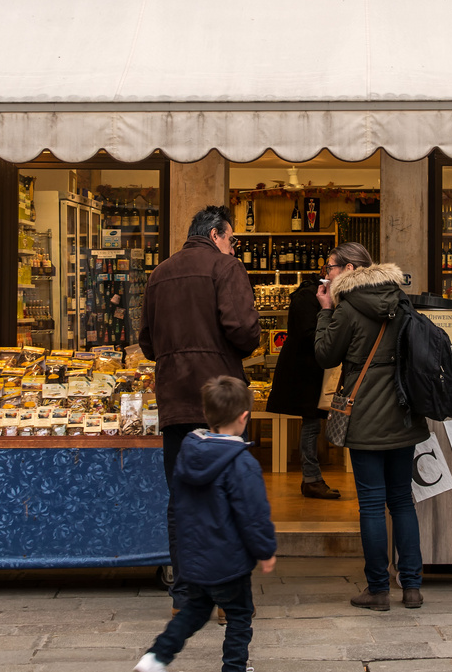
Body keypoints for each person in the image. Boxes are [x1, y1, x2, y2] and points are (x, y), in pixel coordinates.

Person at [139, 205, 261, 608]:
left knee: (183, 496)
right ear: (216, 235)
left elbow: (147, 343)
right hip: (221, 399)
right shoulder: (227, 269)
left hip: (175, 397)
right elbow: (242, 330)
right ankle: (227, 596)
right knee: (227, 493)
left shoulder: (160, 274)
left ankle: (186, 593)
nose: (233, 246)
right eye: (232, 239)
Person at [134, 376, 277, 672]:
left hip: (194, 553)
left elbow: (179, 504)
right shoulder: (240, 462)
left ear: (206, 413)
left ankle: (156, 658)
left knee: (194, 610)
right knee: (240, 615)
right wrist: (265, 550)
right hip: (228, 558)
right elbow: (253, 514)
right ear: (244, 417)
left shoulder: (188, 451)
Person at [314, 242, 427, 611]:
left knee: (372, 505)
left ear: (347, 269)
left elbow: (325, 355)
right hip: (403, 411)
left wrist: (325, 312)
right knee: (402, 501)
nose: (327, 274)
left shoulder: (346, 308)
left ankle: (378, 589)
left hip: (363, 417)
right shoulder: (400, 299)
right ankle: (411, 587)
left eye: (330, 267)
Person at [265, 273, 341, 499]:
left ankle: (312, 479)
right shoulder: (308, 296)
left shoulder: (314, 295)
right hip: (306, 371)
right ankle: (311, 479)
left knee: (313, 424)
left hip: (313, 369)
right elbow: (309, 335)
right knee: (311, 425)